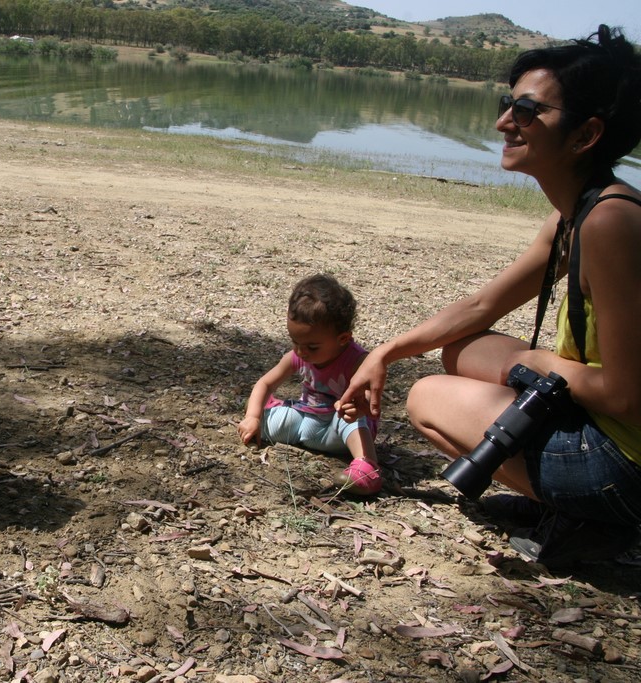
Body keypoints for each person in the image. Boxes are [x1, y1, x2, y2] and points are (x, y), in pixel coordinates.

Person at [337, 25, 641, 567]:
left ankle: (591, 515)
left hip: (626, 461)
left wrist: (538, 363)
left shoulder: (611, 223)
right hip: (607, 419)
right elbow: (481, 307)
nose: (504, 122)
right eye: (508, 104)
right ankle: (564, 499)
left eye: (526, 111)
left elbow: (625, 395)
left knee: (426, 398)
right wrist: (385, 352)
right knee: (462, 348)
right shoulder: (578, 214)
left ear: (585, 135)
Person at [239, 273, 381, 495]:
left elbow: (371, 399)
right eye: (295, 342)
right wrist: (253, 417)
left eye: (312, 347)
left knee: (352, 420)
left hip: (339, 430)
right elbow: (266, 383)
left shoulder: (358, 361)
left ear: (343, 339)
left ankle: (367, 467)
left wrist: (358, 406)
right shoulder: (298, 355)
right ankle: (264, 415)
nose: (301, 351)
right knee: (261, 417)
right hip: (305, 420)